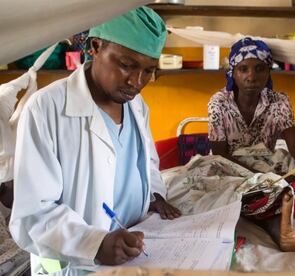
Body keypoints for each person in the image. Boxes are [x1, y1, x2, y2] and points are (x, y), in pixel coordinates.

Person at [9, 6, 181, 271]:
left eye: (149, 71)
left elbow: (146, 161)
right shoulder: (46, 108)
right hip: (77, 262)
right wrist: (95, 244)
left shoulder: (136, 106)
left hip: (136, 250)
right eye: (127, 65)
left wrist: (153, 195)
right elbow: (33, 214)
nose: (137, 81)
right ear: (96, 47)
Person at [208, 37, 295, 252]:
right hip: (233, 168)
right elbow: (219, 155)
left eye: (260, 69)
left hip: (268, 164)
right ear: (232, 73)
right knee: (224, 192)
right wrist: (266, 179)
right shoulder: (219, 102)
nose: (252, 77)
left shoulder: (279, 101)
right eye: (243, 69)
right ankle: (274, 220)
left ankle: (288, 217)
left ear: (269, 73)